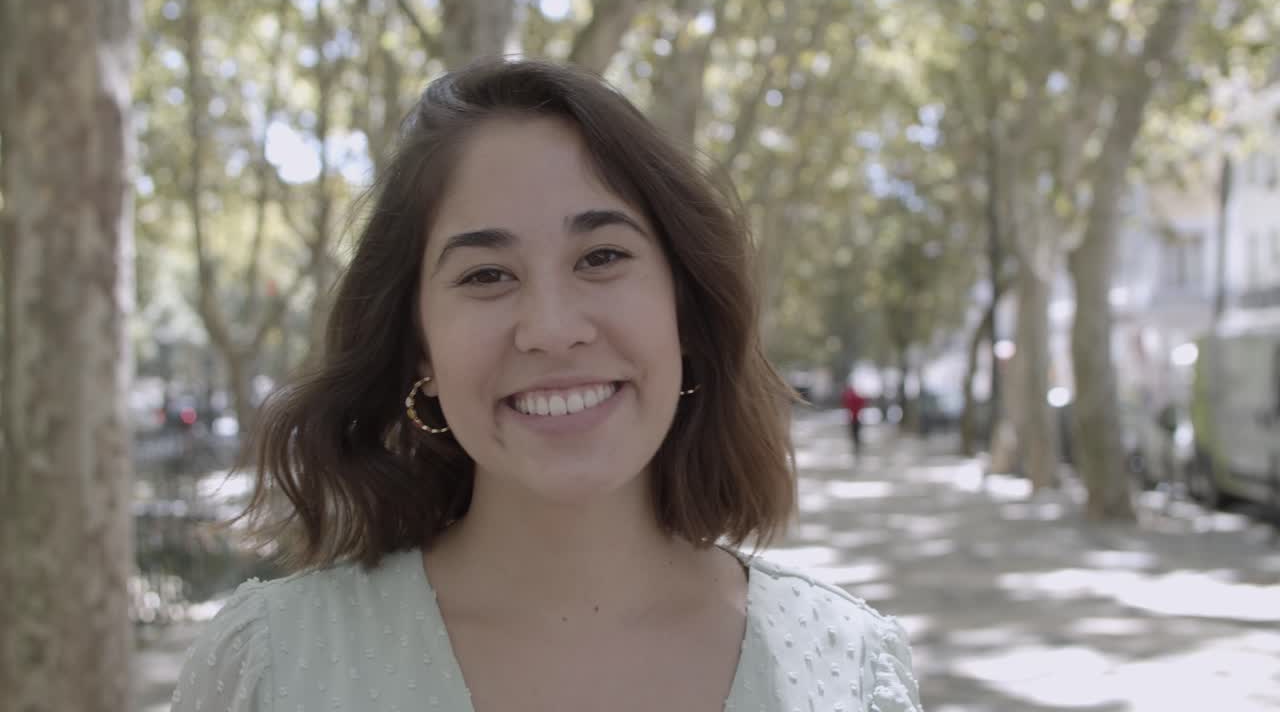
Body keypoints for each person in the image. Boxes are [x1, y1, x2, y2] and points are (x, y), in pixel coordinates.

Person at [172, 58, 921, 712]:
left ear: (686, 312)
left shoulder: (846, 667)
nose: (553, 330)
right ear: (419, 348)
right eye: (486, 275)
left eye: (601, 257)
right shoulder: (272, 667)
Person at [843, 382, 868, 457]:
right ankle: (856, 443)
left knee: (855, 432)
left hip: (854, 417)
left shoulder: (850, 397)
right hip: (855, 417)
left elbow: (847, 404)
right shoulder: (854, 397)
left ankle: (856, 444)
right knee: (856, 432)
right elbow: (862, 402)